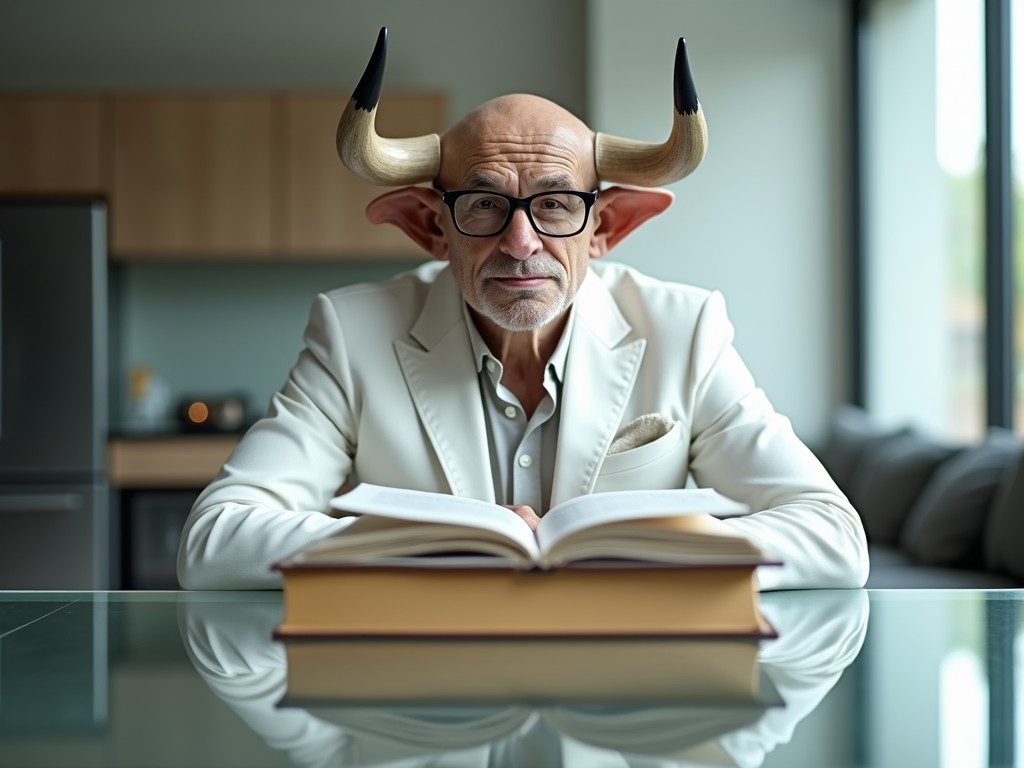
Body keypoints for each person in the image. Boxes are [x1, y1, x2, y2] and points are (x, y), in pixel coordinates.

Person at [177, 28, 868, 591]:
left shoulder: (685, 332)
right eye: (481, 205)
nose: (520, 242)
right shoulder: (352, 334)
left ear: (608, 229)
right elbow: (216, 539)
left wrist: (635, 555)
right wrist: (439, 551)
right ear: (430, 229)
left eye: (558, 204)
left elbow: (831, 537)